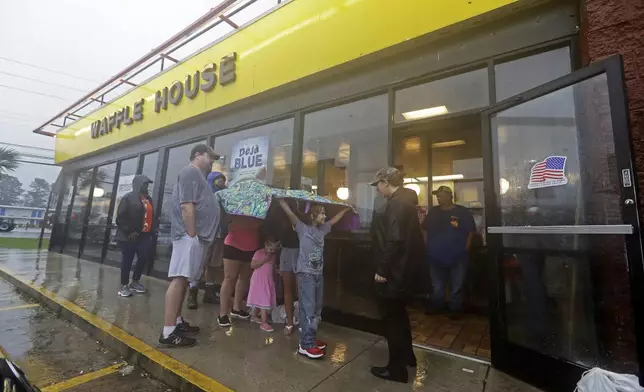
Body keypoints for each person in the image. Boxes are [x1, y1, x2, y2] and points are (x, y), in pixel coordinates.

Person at [158, 144, 220, 348]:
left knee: (184, 280)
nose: (212, 161)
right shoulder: (189, 172)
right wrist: (192, 233)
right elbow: (187, 205)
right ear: (198, 155)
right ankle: (168, 332)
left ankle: (176, 322)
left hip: (193, 236)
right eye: (210, 157)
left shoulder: (197, 176)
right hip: (188, 236)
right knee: (179, 279)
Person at [369, 167, 424, 383]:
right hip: (402, 270)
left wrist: (382, 269)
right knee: (400, 316)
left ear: (385, 182)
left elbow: (394, 239)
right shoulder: (405, 201)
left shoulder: (397, 204)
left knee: (392, 320)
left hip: (394, 273)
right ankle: (408, 357)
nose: (378, 191)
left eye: (378, 186)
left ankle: (396, 369)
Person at [278, 199, 349, 359]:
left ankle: (310, 338)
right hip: (306, 275)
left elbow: (334, 220)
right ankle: (306, 344)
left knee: (316, 309)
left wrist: (345, 210)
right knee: (308, 309)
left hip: (317, 274)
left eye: (325, 213)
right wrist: (282, 203)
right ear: (312, 216)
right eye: (322, 213)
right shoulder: (302, 229)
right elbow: (290, 215)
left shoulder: (322, 230)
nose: (325, 216)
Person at [424, 186, 476, 318]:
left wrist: (466, 249)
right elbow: (424, 229)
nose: (438, 198)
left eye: (441, 195)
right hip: (435, 255)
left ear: (449, 196)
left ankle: (455, 309)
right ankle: (437, 306)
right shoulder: (433, 212)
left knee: (457, 285)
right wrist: (427, 245)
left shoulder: (462, 212)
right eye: (437, 196)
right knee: (437, 285)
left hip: (457, 255)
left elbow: (471, 232)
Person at [187, 171, 228, 308]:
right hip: (204, 235)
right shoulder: (204, 195)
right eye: (218, 179)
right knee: (199, 263)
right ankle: (192, 293)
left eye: (223, 179)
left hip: (219, 235)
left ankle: (209, 293)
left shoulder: (225, 196)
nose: (221, 182)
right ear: (211, 180)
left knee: (214, 265)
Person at [218, 215, 262, 327]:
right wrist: (249, 223)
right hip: (233, 245)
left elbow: (259, 223)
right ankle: (222, 314)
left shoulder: (258, 206)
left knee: (244, 278)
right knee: (229, 278)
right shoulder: (235, 205)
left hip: (251, 246)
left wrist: (246, 223)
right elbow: (231, 225)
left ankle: (236, 308)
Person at [114, 174, 154, 297]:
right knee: (128, 260)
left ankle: (135, 281)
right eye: (144, 184)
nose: (146, 186)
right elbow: (120, 217)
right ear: (137, 184)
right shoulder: (128, 198)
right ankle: (124, 285)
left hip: (144, 235)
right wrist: (129, 231)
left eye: (147, 184)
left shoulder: (148, 199)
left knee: (143, 257)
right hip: (129, 236)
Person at [248, 236, 281, 332]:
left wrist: (275, 276)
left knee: (261, 298)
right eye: (270, 248)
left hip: (268, 280)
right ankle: (264, 322)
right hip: (258, 280)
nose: (271, 251)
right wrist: (265, 259)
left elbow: (273, 268)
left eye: (274, 249)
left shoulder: (273, 256)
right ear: (265, 245)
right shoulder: (259, 253)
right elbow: (252, 265)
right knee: (263, 300)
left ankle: (254, 316)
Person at [279, 219, 299, 336]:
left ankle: (304, 321)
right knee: (287, 288)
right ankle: (289, 322)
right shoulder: (282, 209)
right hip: (286, 249)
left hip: (300, 249)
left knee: (300, 289)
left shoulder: (304, 209)